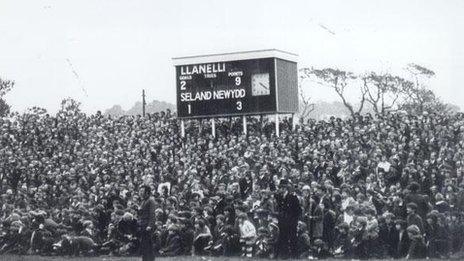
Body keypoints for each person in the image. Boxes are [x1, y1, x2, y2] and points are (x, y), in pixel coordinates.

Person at [274, 179, 301, 259]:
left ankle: (295, 255)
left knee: (293, 238)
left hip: (291, 222)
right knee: (283, 238)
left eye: (281, 188)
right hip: (282, 222)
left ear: (285, 188)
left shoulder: (292, 197)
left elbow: (298, 211)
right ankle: (284, 255)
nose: (280, 189)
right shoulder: (279, 197)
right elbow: (279, 209)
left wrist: (294, 221)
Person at [138, 185, 156, 261]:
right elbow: (141, 213)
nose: (140, 192)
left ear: (147, 192)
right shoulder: (143, 201)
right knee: (144, 244)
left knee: (148, 245)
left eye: (142, 191)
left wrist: (150, 225)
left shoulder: (151, 200)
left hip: (147, 225)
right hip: (143, 224)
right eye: (140, 191)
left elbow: (152, 214)